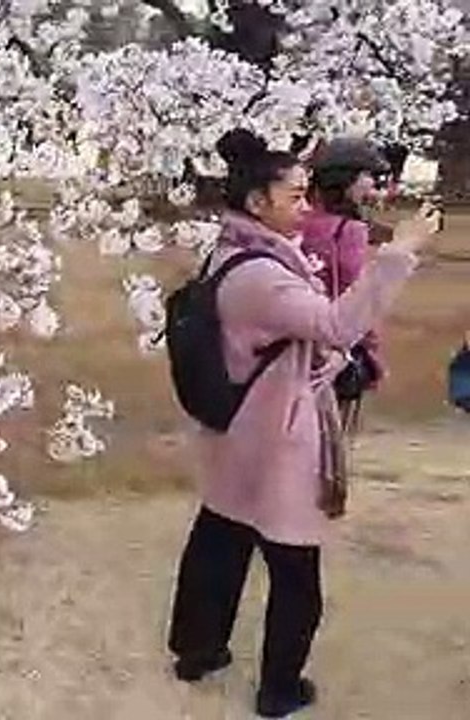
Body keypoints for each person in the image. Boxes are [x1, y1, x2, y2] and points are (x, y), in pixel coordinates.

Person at [166, 128, 439, 718]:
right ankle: (279, 689)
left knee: (221, 536)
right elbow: (337, 326)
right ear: (257, 203)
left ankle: (198, 650)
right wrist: (402, 252)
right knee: (295, 569)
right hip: (274, 438)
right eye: (293, 195)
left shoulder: (231, 250)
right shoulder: (262, 274)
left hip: (238, 432)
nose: (305, 204)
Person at [301, 136, 393, 430]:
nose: (371, 185)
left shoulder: (297, 221)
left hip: (295, 342)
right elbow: (357, 291)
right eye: (367, 176)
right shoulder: (349, 230)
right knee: (330, 440)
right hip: (335, 345)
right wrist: (370, 347)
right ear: (346, 179)